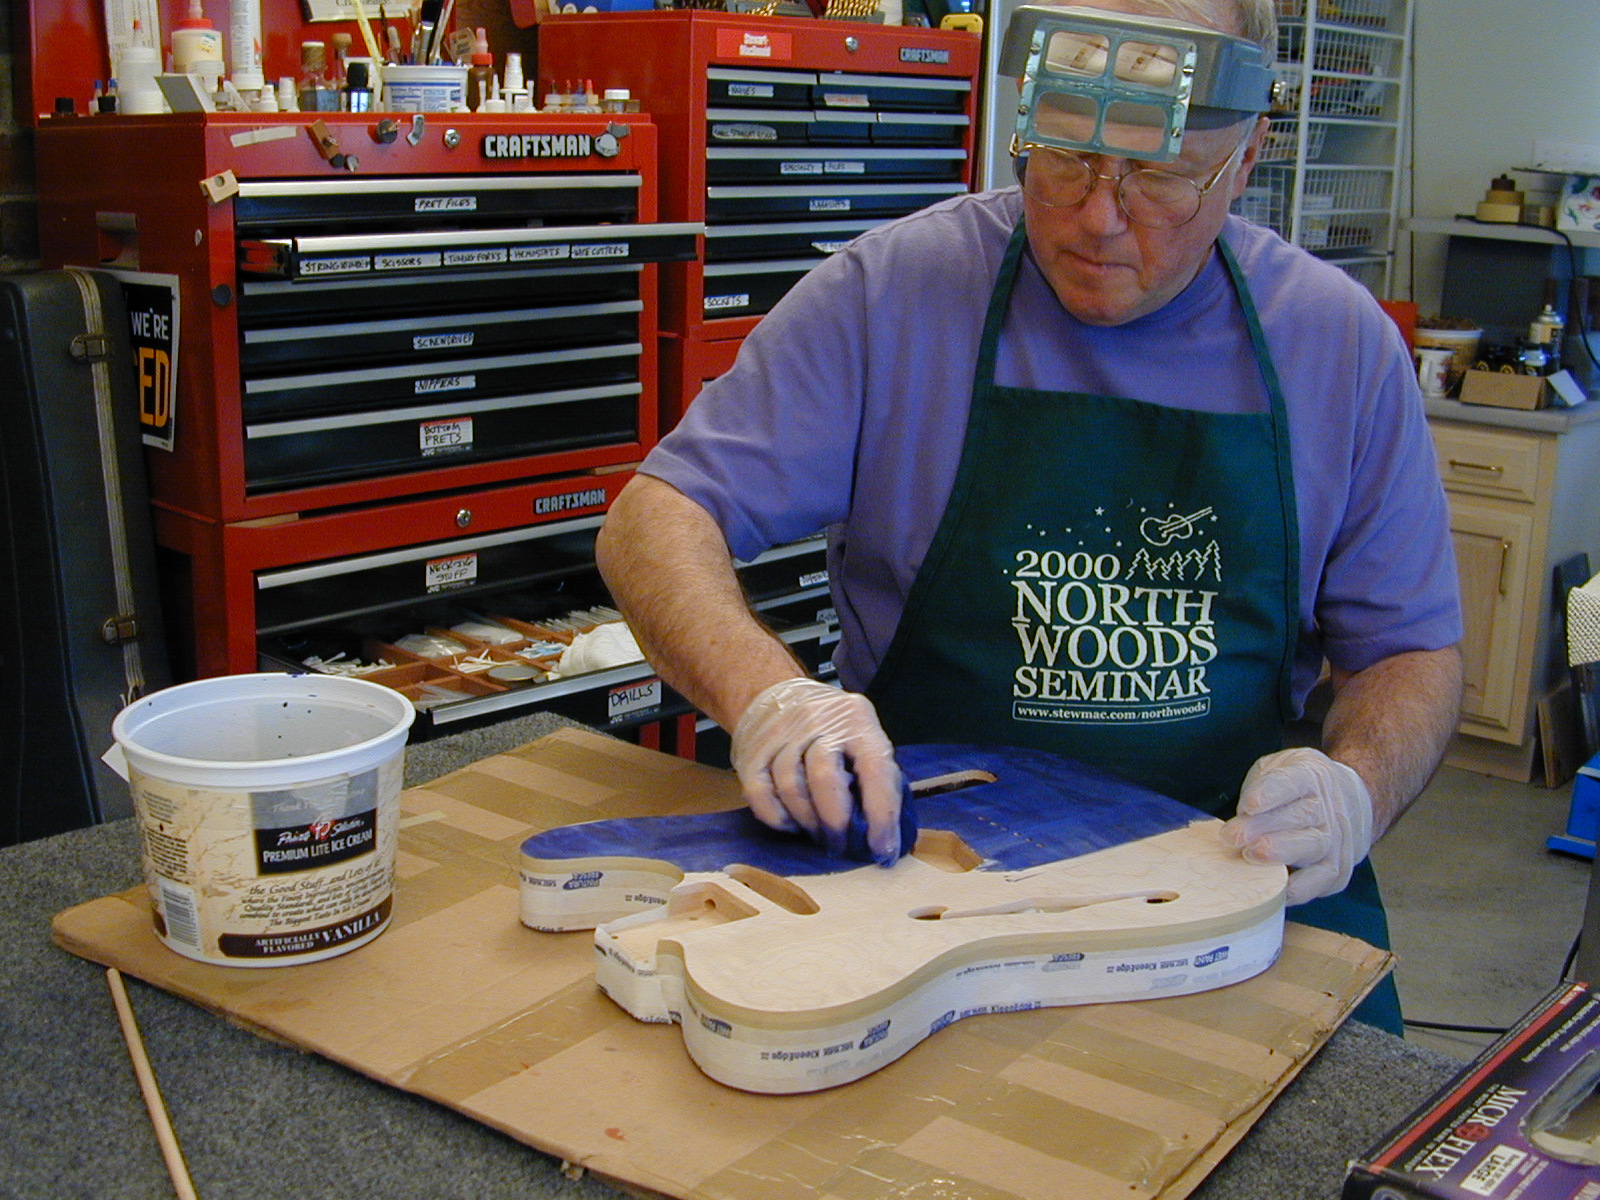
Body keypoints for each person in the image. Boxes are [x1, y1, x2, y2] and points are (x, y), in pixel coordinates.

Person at [595, 0, 1464, 1032]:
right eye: (1063, 162)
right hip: (919, 890)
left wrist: (1354, 790)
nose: (1099, 217)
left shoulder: (1337, 345)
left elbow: (1408, 650)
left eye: (1160, 176)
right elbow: (654, 519)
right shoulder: (895, 296)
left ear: (1248, 156)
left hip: (1228, 894)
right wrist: (771, 701)